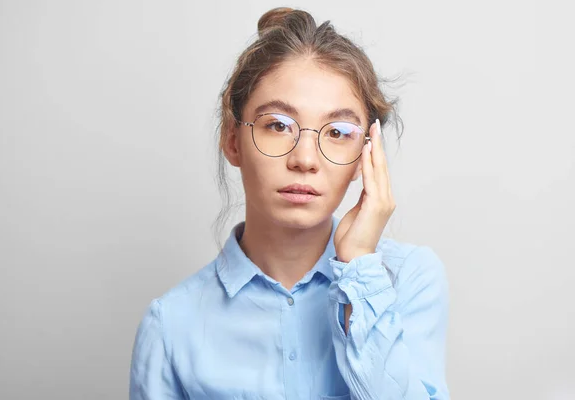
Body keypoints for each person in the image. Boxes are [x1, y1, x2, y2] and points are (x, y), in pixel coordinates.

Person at [129, 7, 450, 400]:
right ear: (233, 139)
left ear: (366, 156)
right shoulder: (170, 326)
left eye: (337, 132)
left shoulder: (408, 281)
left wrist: (359, 273)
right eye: (278, 125)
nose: (305, 159)